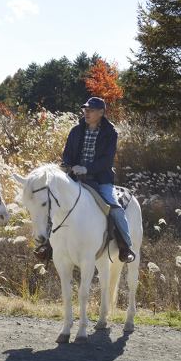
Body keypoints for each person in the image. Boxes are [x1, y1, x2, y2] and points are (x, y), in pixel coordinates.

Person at [59, 96, 136, 263]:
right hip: (75, 178)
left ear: (101, 112)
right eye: (85, 109)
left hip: (101, 179)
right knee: (54, 202)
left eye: (91, 110)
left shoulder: (110, 133)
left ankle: (125, 247)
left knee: (115, 208)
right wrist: (68, 165)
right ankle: (49, 246)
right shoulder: (76, 131)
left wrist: (87, 168)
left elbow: (107, 161)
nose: (86, 112)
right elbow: (67, 154)